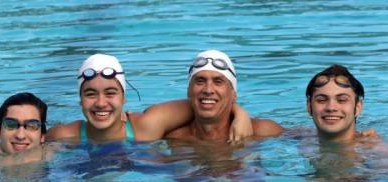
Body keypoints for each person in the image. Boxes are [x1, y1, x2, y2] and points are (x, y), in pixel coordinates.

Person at [47, 53, 252, 143]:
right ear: (80, 100)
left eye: (110, 93)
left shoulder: (146, 126)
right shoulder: (63, 136)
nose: (101, 103)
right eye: (90, 94)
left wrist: (239, 113)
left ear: (124, 98)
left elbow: (205, 104)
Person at [166, 50, 284, 141]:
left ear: (233, 94)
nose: (208, 90)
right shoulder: (174, 139)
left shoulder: (263, 132)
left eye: (218, 82)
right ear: (188, 90)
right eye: (200, 81)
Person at [305, 64, 366, 143]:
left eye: (342, 100)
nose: (331, 107)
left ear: (358, 107)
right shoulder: (303, 136)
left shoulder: (375, 151)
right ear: (309, 106)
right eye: (321, 100)